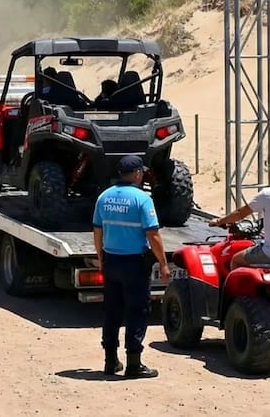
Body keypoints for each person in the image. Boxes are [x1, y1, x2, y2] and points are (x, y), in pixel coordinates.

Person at [93, 155, 170, 379]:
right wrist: (164, 264)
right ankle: (134, 364)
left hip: (111, 260)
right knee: (137, 311)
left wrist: (100, 258)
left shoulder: (104, 197)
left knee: (112, 311)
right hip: (134, 263)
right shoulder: (142, 199)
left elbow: (97, 231)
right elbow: (152, 234)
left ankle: (110, 361)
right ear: (137, 174)